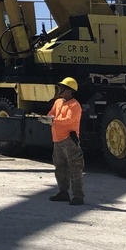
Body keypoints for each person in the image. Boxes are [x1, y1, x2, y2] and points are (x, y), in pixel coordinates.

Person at [42, 77, 84, 205]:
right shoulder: (58, 102)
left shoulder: (74, 105)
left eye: (62, 87)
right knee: (60, 167)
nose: (59, 89)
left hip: (68, 140)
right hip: (57, 139)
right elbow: (52, 113)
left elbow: (68, 120)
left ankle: (78, 196)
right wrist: (48, 117)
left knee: (75, 167)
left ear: (69, 91)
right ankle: (63, 192)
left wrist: (53, 121)